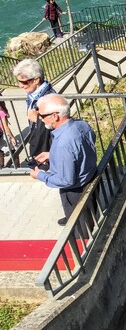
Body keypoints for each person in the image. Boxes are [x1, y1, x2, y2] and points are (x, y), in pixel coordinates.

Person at [28, 94, 97, 226]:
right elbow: (82, 148)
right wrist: (52, 155)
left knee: (81, 227)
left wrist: (40, 175)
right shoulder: (81, 125)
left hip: (75, 191)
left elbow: (65, 180)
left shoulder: (63, 143)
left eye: (42, 116)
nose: (40, 120)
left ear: (55, 116)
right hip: (89, 177)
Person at [13, 58, 56, 166]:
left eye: (23, 81)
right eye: (18, 81)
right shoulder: (33, 94)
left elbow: (54, 124)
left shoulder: (48, 98)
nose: (20, 85)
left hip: (47, 149)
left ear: (36, 80)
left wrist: (37, 119)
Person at [0, 93, 17, 169]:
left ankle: (1, 167)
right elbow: (6, 127)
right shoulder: (1, 112)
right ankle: (17, 166)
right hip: (2, 132)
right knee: (13, 148)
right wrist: (12, 137)